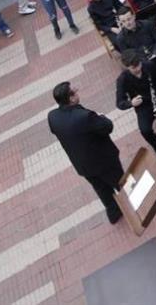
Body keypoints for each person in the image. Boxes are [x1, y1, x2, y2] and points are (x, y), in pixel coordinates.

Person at [48, 81, 126, 223]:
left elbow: (57, 131)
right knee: (121, 183)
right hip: (105, 161)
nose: (77, 92)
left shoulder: (52, 116)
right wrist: (101, 117)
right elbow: (108, 127)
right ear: (71, 98)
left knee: (102, 190)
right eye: (75, 91)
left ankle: (114, 213)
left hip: (83, 165)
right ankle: (133, 205)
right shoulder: (85, 117)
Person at [115, 51, 156, 170]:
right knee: (145, 130)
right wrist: (131, 103)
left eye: (139, 65)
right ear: (127, 67)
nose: (138, 69)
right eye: (133, 68)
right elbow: (119, 103)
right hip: (143, 106)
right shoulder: (123, 79)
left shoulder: (149, 65)